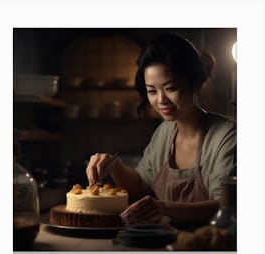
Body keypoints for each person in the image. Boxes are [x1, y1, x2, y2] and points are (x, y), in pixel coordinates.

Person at [85, 33, 236, 227]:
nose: (160, 100)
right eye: (152, 91)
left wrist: (163, 208)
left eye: (170, 88)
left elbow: (226, 206)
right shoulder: (164, 132)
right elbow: (141, 185)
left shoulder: (226, 136)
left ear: (195, 84)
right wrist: (114, 165)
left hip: (211, 245)